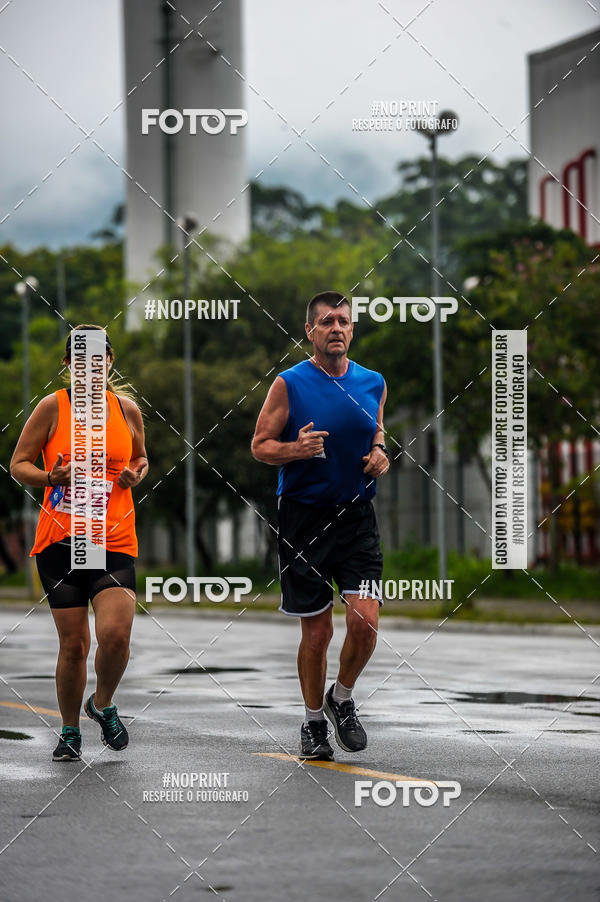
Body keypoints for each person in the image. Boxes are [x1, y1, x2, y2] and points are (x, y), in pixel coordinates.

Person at [251, 291, 389, 759]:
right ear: (310, 331)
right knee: (318, 633)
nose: (336, 329)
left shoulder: (373, 382)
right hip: (303, 518)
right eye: (327, 322)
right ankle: (313, 723)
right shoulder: (289, 383)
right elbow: (260, 445)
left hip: (357, 518)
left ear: (352, 329)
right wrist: (296, 449)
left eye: (344, 321)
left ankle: (341, 698)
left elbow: (376, 430)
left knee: (366, 621)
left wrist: (381, 452)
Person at [10, 325, 148, 761]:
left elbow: (140, 456)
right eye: (82, 360)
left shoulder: (126, 410)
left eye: (99, 358)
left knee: (116, 636)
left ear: (109, 361)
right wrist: (51, 477)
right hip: (62, 541)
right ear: (70, 365)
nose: (91, 367)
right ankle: (70, 731)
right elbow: (18, 464)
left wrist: (135, 474)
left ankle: (102, 704)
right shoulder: (53, 407)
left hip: (113, 538)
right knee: (74, 646)